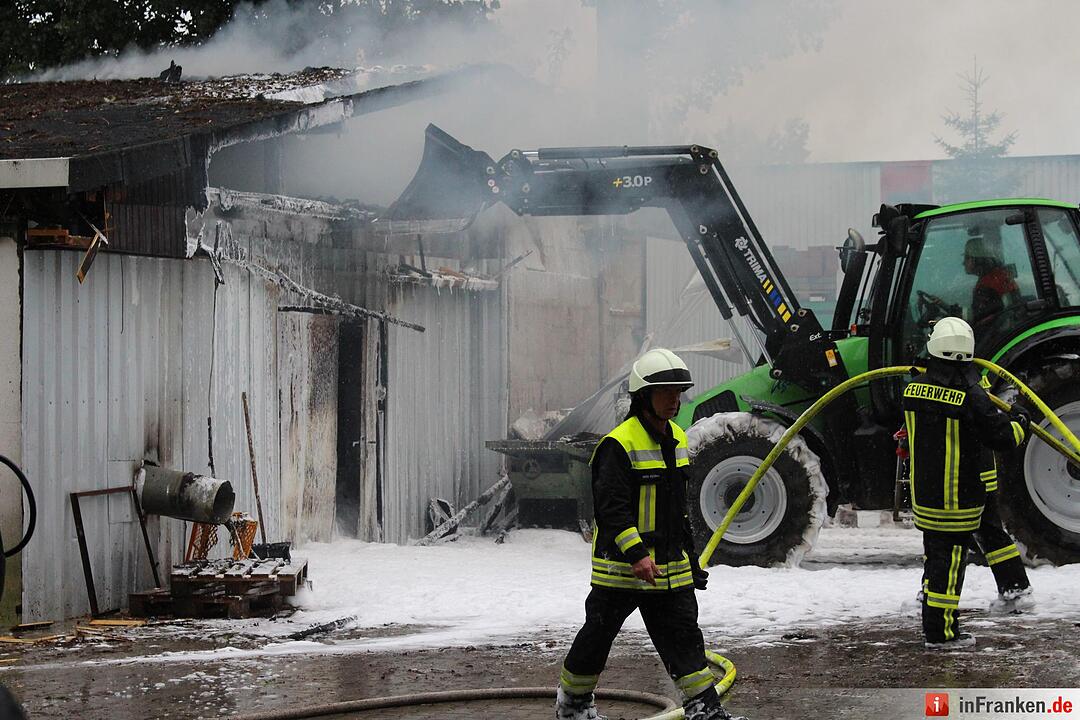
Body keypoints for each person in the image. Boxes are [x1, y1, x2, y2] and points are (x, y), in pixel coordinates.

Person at [555, 348, 746, 720]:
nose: (675, 400)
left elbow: (676, 510)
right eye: (666, 392)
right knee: (597, 637)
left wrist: (689, 560)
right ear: (643, 396)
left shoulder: (677, 437)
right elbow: (612, 510)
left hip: (668, 569)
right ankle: (573, 704)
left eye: (679, 392)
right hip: (621, 571)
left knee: (685, 638)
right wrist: (637, 554)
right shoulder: (618, 444)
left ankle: (705, 711)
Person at [903, 317, 1029, 649]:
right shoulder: (971, 396)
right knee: (950, 566)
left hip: (927, 497)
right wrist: (1021, 420)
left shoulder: (912, 388)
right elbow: (1002, 436)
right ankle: (942, 634)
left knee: (936, 560)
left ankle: (934, 620)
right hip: (958, 499)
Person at [963, 234, 1019, 327]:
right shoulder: (999, 275)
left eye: (967, 258)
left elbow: (979, 320)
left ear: (977, 260)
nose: (963, 263)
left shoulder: (987, 287)